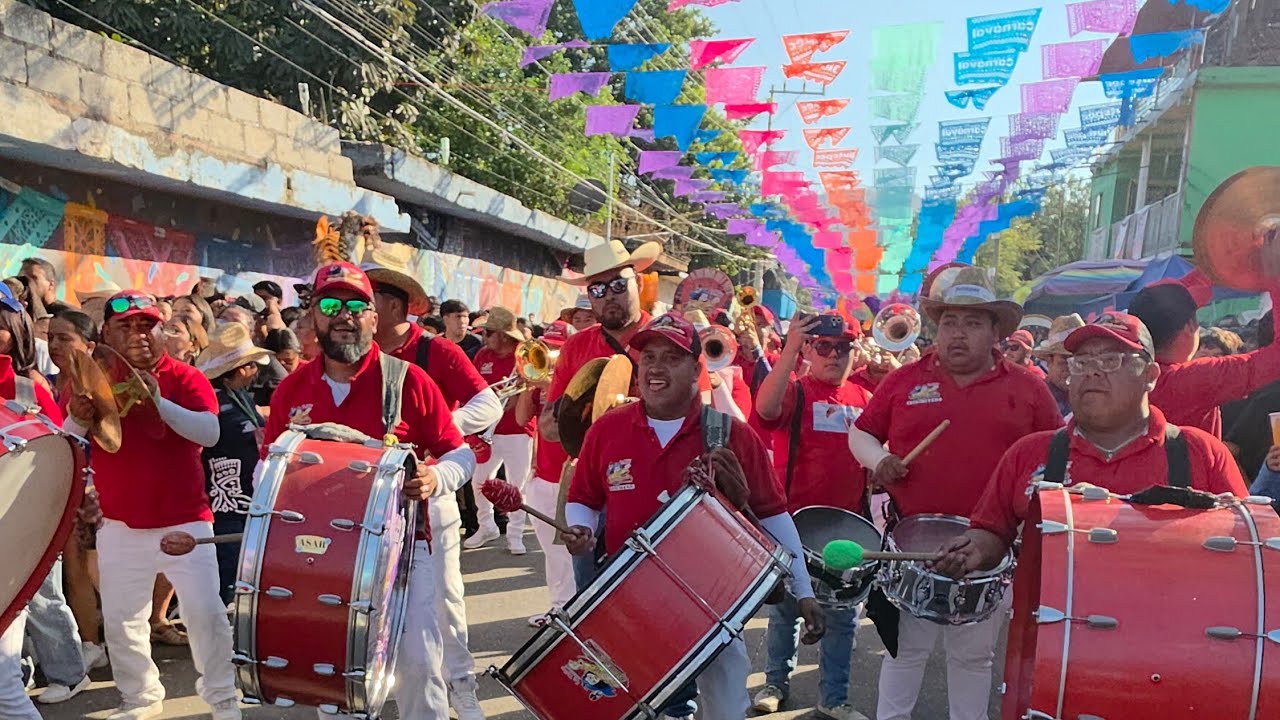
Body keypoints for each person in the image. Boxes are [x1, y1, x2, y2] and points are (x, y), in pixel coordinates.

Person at [563, 312, 825, 720]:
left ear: (695, 368)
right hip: (629, 600)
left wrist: (804, 591)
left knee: (727, 708)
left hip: (715, 603)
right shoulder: (607, 430)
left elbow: (774, 516)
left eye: (671, 357)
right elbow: (584, 498)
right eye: (648, 357)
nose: (655, 368)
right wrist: (579, 525)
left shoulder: (731, 434)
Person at [847, 266, 1062, 720]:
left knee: (972, 657)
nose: (958, 334)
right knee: (904, 651)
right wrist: (877, 460)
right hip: (911, 544)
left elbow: (1056, 459)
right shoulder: (903, 381)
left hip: (989, 549)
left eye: (972, 322)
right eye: (949, 322)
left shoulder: (1029, 390)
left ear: (995, 332)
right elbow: (861, 433)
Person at [264, 261, 474, 720]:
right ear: (313, 316)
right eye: (331, 304)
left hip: (407, 553)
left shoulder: (409, 381)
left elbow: (461, 454)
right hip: (322, 558)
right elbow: (268, 472)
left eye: (357, 305)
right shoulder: (291, 391)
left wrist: (436, 478)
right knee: (337, 678)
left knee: (420, 667)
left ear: (374, 318)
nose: (344, 315)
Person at [934, 312, 1249, 578]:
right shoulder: (1028, 453)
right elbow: (991, 531)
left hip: (1171, 642)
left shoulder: (1201, 454)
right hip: (1053, 642)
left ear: (1150, 375)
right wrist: (973, 548)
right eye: (1082, 362)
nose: (1093, 371)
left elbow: (1247, 550)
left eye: (1111, 360)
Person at [63, 290, 240, 720]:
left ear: (161, 330)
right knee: (124, 621)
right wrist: (77, 416)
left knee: (205, 616)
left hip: (186, 522)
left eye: (146, 325)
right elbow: (67, 439)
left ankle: (223, 699)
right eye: (125, 326)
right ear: (105, 332)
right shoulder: (89, 378)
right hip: (120, 524)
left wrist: (158, 402)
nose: (137, 334)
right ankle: (140, 698)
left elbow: (210, 433)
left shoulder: (186, 377)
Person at [365, 257, 499, 720]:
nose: (355, 310)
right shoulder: (353, 358)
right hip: (371, 503)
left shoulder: (436, 351)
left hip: (430, 490)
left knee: (445, 598)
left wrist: (441, 427)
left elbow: (489, 404)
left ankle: (461, 683)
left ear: (391, 306)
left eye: (367, 299)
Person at [752, 312, 872, 720]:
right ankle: (774, 684)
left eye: (843, 348)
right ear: (809, 350)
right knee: (785, 613)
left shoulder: (864, 399)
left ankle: (833, 699)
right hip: (795, 525)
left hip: (847, 528)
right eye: (823, 346)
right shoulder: (796, 392)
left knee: (842, 619)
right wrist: (788, 351)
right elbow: (764, 409)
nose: (834, 355)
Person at [537, 239, 661, 620]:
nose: (609, 296)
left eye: (619, 285)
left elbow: (698, 412)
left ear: (639, 282)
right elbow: (548, 428)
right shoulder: (576, 347)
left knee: (653, 601)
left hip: (656, 486)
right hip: (592, 488)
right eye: (598, 290)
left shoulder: (668, 337)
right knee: (592, 601)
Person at [0, 288, 92, 708]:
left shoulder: (26, 386)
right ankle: (18, 676)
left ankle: (68, 672)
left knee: (44, 598)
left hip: (32, 516)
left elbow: (60, 448)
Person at [45, 309, 110, 671]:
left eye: (64, 338)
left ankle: (102, 643)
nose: (55, 344)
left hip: (95, 490)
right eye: (51, 337)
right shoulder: (50, 383)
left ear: (89, 345)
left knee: (92, 570)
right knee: (76, 570)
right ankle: (91, 643)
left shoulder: (98, 386)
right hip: (64, 487)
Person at [1129, 281, 1280, 437]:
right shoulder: (1194, 379)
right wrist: (1274, 277)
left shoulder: (1121, 374)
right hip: (1186, 461)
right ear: (1189, 326)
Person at [196, 323, 270, 606]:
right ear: (242, 369)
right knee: (228, 569)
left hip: (242, 496)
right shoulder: (214, 401)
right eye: (253, 365)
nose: (257, 371)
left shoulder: (239, 397)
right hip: (225, 498)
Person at [464, 307, 537, 555]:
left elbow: (532, 390)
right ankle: (487, 526)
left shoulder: (524, 355)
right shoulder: (483, 355)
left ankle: (515, 536)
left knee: (518, 487)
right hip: (489, 430)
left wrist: (521, 393)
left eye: (489, 332)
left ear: (503, 336)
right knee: (479, 481)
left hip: (518, 430)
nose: (484, 337)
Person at [1032, 313, 1085, 419]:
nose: (1072, 367)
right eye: (1065, 359)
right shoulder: (1037, 398)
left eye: (1080, 360)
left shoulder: (1091, 397)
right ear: (1049, 360)